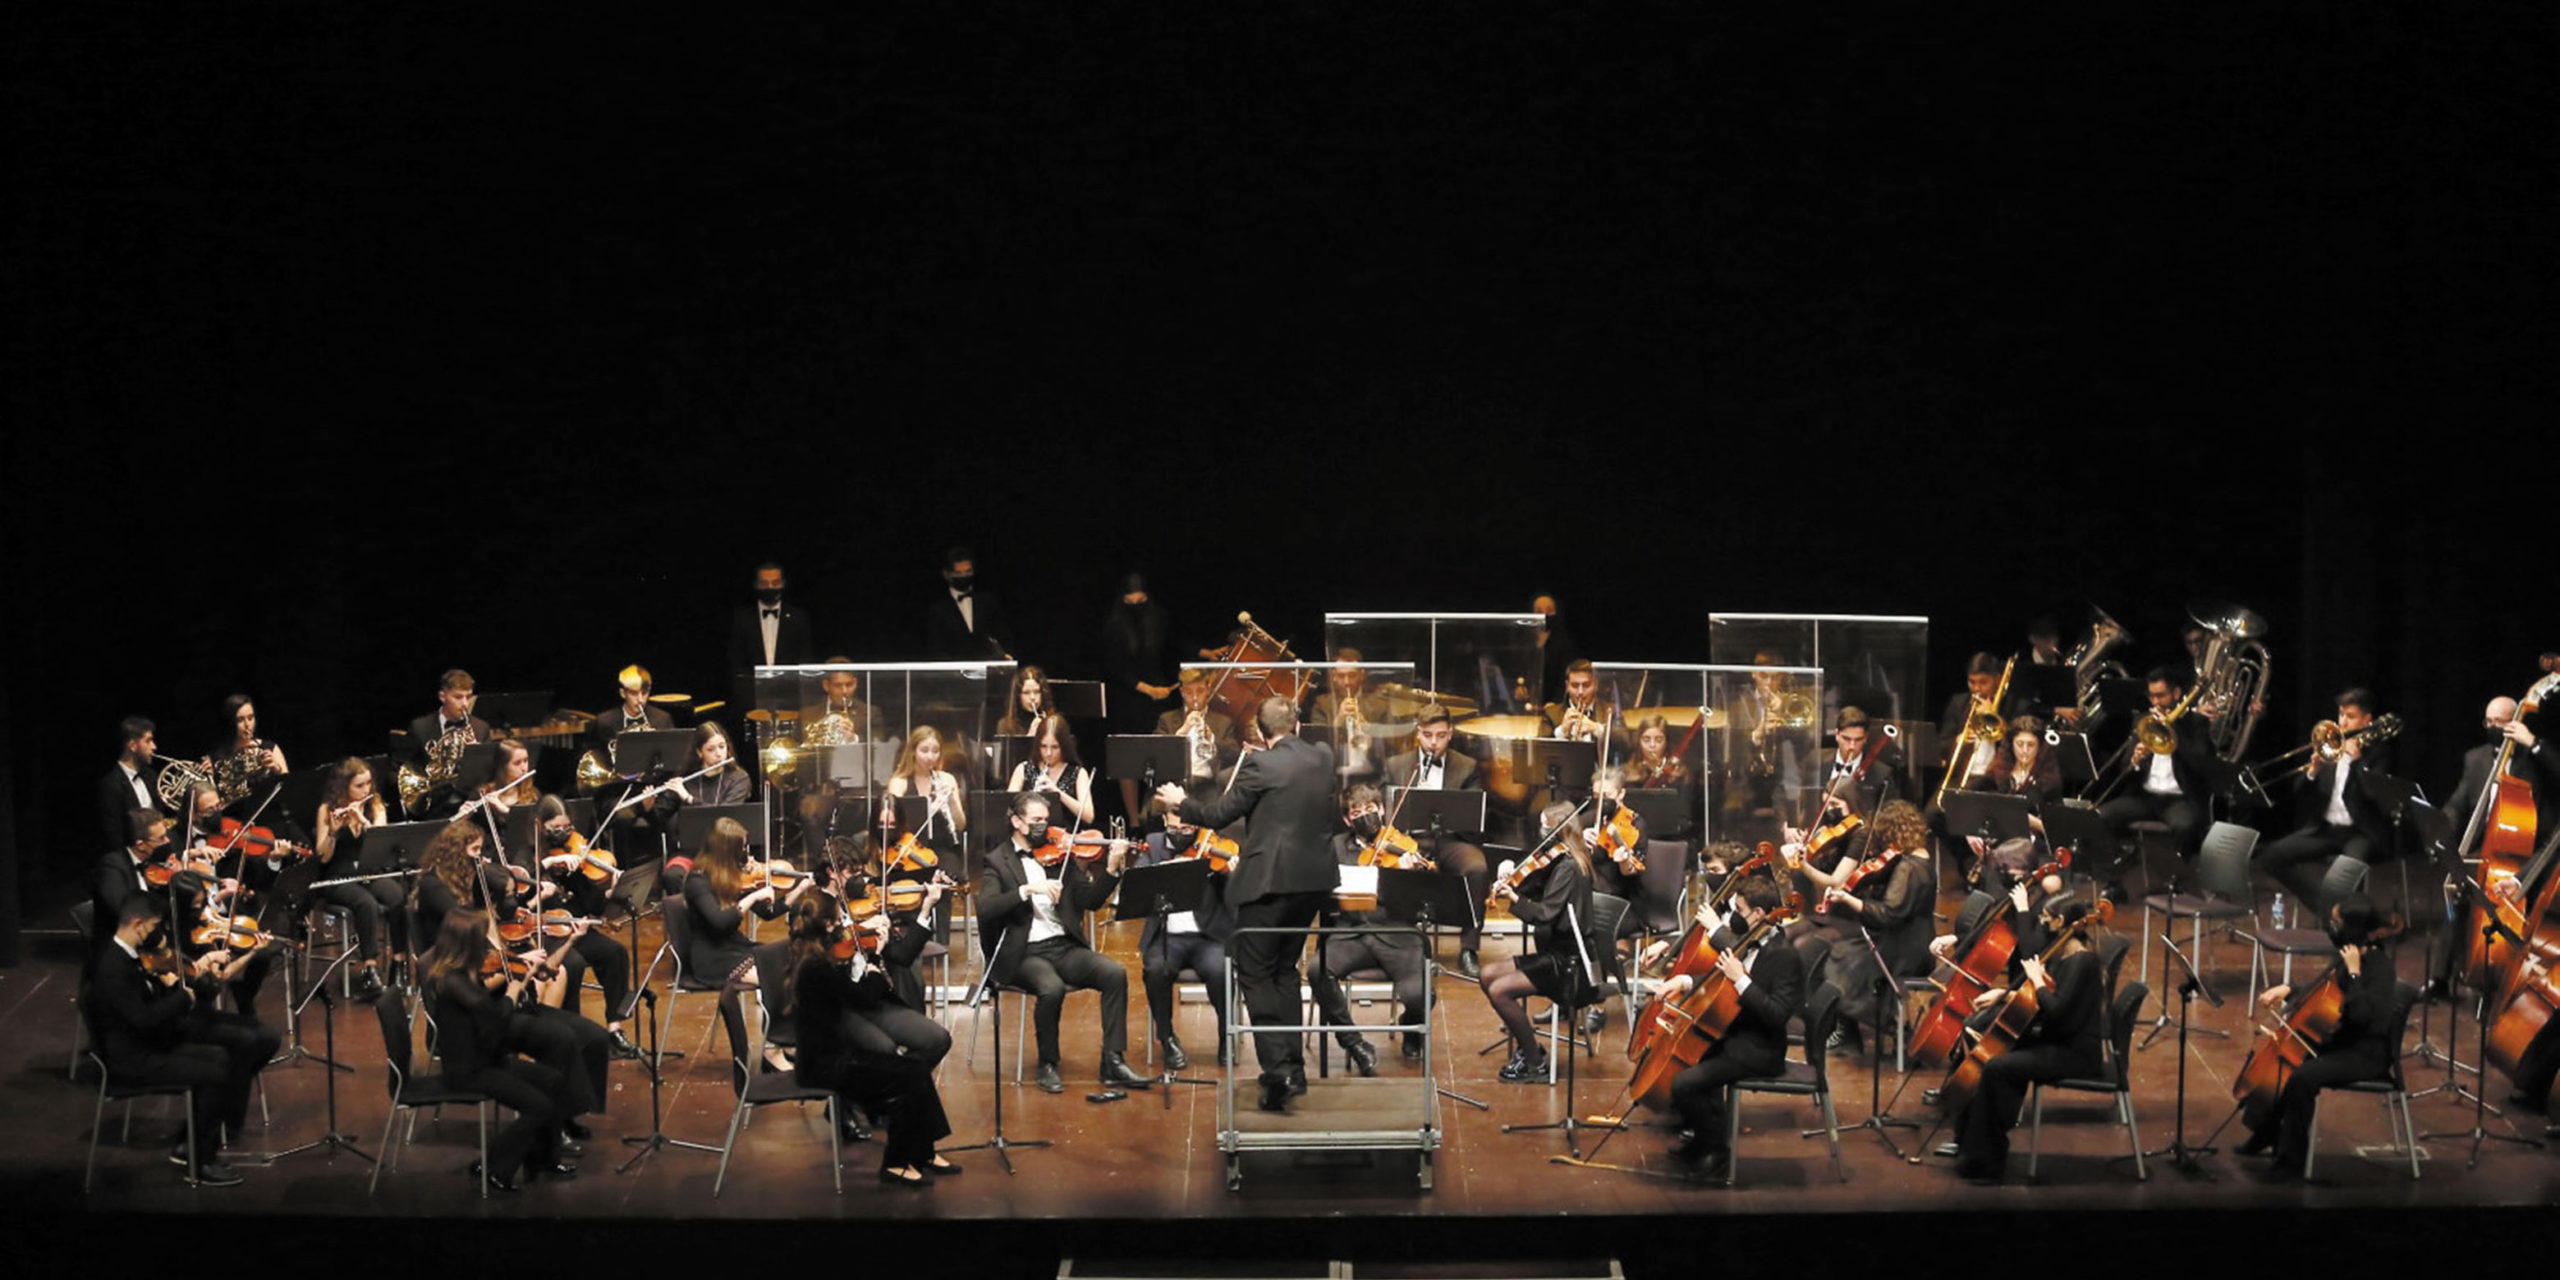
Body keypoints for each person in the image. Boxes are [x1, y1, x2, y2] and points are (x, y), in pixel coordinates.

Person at [1159, 695, 1340, 1112]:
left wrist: (1179, 804)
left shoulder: (1260, 765)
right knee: (1285, 971)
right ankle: (1293, 1067)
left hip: (1271, 883)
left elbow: (1220, 814)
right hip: (1314, 882)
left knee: (1255, 973)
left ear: (1260, 732)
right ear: (1296, 724)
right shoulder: (1323, 756)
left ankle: (1278, 1073)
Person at [87, 895, 279, 1187]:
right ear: (138, 925)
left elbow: (147, 1012)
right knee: (215, 1071)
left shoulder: (130, 955)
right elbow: (143, 1020)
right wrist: (182, 996)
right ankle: (201, 1163)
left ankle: (195, 1144)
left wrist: (170, 985)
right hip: (132, 1059)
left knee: (222, 1058)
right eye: (153, 926)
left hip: (150, 1041)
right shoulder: (113, 968)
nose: (158, 934)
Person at [974, 792, 1151, 1093]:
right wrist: (1027, 890)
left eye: (1047, 819)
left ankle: (1113, 1060)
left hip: (1062, 946)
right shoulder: (997, 861)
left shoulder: (1061, 856)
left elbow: (1091, 902)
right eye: (1037, 821)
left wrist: (1111, 868)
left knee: (1114, 973)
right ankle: (1048, 1063)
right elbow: (986, 908)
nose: (1046, 827)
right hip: (1023, 953)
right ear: (1017, 822)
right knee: (1051, 988)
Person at [784, 891, 959, 1184]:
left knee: (914, 1070)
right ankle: (897, 1163)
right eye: (839, 919)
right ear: (828, 926)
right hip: (827, 1066)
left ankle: (921, 1152)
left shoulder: (814, 958)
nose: (844, 924)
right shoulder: (818, 968)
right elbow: (862, 995)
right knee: (908, 1075)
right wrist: (874, 961)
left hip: (836, 1056)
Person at [2236, 896, 2403, 1180]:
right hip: (2340, 1040)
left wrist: (2353, 973)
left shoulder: (2379, 968)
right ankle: (2266, 1133)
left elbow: (2362, 1015)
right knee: (2282, 1063)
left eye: (2337, 923)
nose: (2332, 927)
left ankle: (2291, 1163)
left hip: (2365, 1053)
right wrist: (2288, 988)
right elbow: (2324, 993)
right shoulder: (2349, 954)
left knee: (2303, 1076)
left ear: (2355, 928)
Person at [1947, 894, 2106, 1183]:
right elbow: (2046, 1005)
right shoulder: (2065, 954)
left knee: (1997, 1068)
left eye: (2047, 917)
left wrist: (2036, 981)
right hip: (2057, 1040)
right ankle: (1969, 1145)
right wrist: (2005, 994)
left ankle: (1990, 1162)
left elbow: (2056, 1011)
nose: (2042, 921)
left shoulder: (2082, 962)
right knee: (1989, 1051)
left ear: (2061, 922)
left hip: (2075, 1053)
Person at [1654, 873, 1804, 1178]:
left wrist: (1741, 979)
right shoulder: (1749, 940)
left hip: (1759, 1048)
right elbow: (1718, 980)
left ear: (1759, 914)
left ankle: (1716, 1152)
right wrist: (1682, 981)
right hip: (1733, 1032)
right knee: (1684, 1068)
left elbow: (1776, 1015)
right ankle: (1704, 1140)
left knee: (1684, 1084)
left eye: (1740, 910)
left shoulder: (1784, 956)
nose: (1734, 916)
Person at [417, 908, 578, 1191]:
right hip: (469, 1070)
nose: (489, 945)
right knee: (537, 1106)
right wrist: (513, 993)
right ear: (468, 944)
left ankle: (543, 1160)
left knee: (553, 1081)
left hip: (487, 1058)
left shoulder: (466, 972)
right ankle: (493, 1168)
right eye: (483, 940)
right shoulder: (453, 982)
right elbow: (493, 1021)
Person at [1788, 798, 1936, 1054]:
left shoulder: (1909, 869)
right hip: (1908, 939)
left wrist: (1849, 899)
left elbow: (1888, 914)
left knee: (1838, 960)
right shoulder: (1916, 860)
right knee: (1837, 953)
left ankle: (1859, 1031)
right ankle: (1846, 1031)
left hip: (1903, 949)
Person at [1309, 786, 1429, 1073]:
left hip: (1396, 933)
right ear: (1348, 821)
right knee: (1317, 971)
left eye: (1370, 810)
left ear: (1382, 810)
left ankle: (1411, 1027)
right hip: (1351, 932)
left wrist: (1408, 875)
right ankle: (1354, 1042)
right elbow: (1323, 888)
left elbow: (1419, 900)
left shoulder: (1404, 846)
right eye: (1356, 813)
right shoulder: (1335, 846)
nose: (1365, 816)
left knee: (1420, 995)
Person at [1479, 802, 1601, 1083]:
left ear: (1561, 829)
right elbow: (1534, 885)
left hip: (1571, 965)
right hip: (1555, 954)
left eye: (1547, 826)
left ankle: (1535, 1061)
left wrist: (1514, 899)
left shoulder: (1570, 866)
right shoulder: (1558, 860)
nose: (1543, 831)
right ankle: (1528, 1045)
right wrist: (1511, 875)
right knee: (1486, 974)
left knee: (1499, 990)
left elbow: (1545, 914)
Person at [2255, 688, 2396, 912]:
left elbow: (2375, 796)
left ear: (2367, 720)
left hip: (2360, 832)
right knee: (2270, 857)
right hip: (2325, 830)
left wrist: (2357, 762)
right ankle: (2323, 907)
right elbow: (2298, 792)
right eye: (2341, 715)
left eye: (2350, 717)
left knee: (2348, 871)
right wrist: (2313, 770)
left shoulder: (2379, 753)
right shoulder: (2331, 747)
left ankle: (2350, 927)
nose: (2343, 722)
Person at [1382, 705, 1495, 976]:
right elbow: (1388, 813)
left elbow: (1473, 815)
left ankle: (1469, 948)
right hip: (1410, 840)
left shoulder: (1466, 766)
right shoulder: (1396, 765)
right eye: (1428, 735)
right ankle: (1405, 946)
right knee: (1390, 863)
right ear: (1417, 733)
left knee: (1477, 868)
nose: (1434, 742)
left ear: (1451, 734)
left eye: (1441, 735)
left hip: (1451, 839)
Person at [529, 796, 639, 1057]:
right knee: (573, 963)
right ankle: (571, 1034)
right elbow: (518, 891)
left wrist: (612, 890)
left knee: (615, 953)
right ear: (539, 825)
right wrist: (546, 865)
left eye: (567, 828)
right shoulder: (527, 854)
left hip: (575, 929)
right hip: (545, 933)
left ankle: (614, 1028)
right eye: (556, 828)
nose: (563, 834)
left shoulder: (571, 856)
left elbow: (594, 904)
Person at [1130, 804, 1236, 1069]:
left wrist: (1234, 874)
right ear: (1165, 820)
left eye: (1187, 829)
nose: (1179, 834)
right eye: (1174, 828)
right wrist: (1166, 872)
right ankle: (1167, 1039)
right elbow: (1138, 885)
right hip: (1167, 935)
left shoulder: (1211, 845)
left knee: (1220, 971)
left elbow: (1235, 898)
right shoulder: (1154, 844)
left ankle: (1227, 1037)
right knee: (1155, 969)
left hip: (1207, 935)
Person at [2094, 666, 2217, 860]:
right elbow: (2124, 767)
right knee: (2101, 816)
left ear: (2176, 694)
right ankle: (2120, 864)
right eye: (2152, 696)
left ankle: (2178, 874)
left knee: (2185, 826)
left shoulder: (2196, 723)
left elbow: (2200, 763)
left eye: (2161, 696)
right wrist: (2135, 760)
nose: (2156, 702)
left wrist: (2174, 729)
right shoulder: (2143, 720)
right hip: (2145, 798)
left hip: (2179, 800)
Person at [311, 756, 400, 1000]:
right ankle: (370, 968)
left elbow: (381, 847)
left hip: (367, 871)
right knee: (366, 904)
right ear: (344, 787)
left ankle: (398, 963)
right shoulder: (327, 809)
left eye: (369, 784)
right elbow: (323, 857)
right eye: (359, 786)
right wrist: (333, 831)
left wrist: (363, 821)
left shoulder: (375, 806)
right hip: (338, 877)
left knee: (397, 896)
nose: (366, 790)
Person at [727, 561, 817, 708]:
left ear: (783, 583)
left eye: (775, 583)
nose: (770, 588)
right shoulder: (741, 618)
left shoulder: (798, 617)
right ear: (756, 585)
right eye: (764, 583)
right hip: (752, 696)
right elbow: (735, 659)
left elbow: (805, 657)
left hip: (788, 695)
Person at [405, 669, 493, 818]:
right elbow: (401, 771)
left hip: (471, 806)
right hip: (433, 808)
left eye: (468, 697)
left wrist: (476, 755)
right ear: (442, 696)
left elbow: (490, 774)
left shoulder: (481, 728)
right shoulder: (420, 727)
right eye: (458, 697)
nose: (465, 704)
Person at [885, 726, 966, 866]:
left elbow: (960, 825)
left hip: (943, 848)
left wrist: (951, 800)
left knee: (952, 874)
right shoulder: (899, 782)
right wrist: (928, 810)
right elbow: (893, 823)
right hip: (909, 847)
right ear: (913, 752)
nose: (930, 757)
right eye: (924, 751)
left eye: (935, 751)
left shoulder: (947, 779)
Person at [1310, 651, 1390, 785]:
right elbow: (1317, 746)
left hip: (1371, 777)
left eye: (1352, 675)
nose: (1347, 682)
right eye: (1341, 676)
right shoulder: (1322, 704)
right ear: (1333, 677)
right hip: (1334, 777)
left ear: (1362, 675)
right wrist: (1338, 720)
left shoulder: (1380, 705)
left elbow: (1390, 745)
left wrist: (1368, 729)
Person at [1156, 668, 1241, 794]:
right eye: (1189, 692)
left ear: (1208, 690)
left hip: (1209, 788)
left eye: (1200, 691)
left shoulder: (1224, 722)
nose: (1195, 698)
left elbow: (1235, 756)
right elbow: (1156, 754)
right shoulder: (1167, 719)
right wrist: (1182, 732)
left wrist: (1211, 738)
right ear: (1182, 692)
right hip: (1174, 785)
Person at [1006, 713, 1097, 827]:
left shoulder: (1078, 773)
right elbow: (1007, 811)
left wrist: (1057, 793)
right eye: (1043, 746)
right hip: (1030, 840)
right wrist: (1031, 796)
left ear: (1063, 746)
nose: (1048, 753)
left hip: (1065, 840)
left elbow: (1089, 816)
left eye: (1054, 747)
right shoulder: (1023, 770)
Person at [925, 545, 1013, 660]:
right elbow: (937, 648)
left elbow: (1003, 636)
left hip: (988, 668)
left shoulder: (988, 602)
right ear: (947, 574)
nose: (964, 577)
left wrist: (1006, 656)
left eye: (968, 572)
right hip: (954, 672)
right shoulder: (938, 609)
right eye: (958, 573)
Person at [100, 716, 171, 852]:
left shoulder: (151, 776)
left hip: (163, 854)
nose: (154, 747)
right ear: (133, 745)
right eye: (148, 741)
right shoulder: (111, 785)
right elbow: (115, 838)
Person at [209, 695, 289, 813]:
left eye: (251, 718)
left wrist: (275, 767)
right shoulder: (217, 758)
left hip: (270, 815)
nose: (248, 725)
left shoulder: (269, 748)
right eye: (240, 720)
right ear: (230, 723)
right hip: (234, 820)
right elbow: (215, 803)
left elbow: (289, 787)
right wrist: (210, 777)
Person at [997, 665, 1056, 738]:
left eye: (1037, 692)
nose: (1032, 697)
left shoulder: (1054, 722)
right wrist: (1030, 737)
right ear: (1018, 696)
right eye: (1026, 692)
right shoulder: (1005, 725)